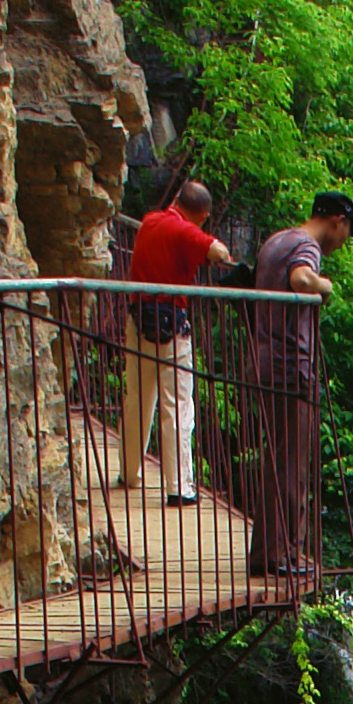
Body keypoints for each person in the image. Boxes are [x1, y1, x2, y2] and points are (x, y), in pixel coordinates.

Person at [247, 192, 353, 578]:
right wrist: (324, 286)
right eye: (347, 231)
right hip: (291, 367)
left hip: (264, 361)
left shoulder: (276, 240)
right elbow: (301, 278)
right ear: (336, 222)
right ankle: (281, 556)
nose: (344, 240)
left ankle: (268, 552)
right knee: (292, 464)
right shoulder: (306, 246)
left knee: (277, 460)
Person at [121, 176, 232, 504]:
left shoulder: (149, 222)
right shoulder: (186, 231)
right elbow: (218, 252)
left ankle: (128, 471)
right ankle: (178, 487)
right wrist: (207, 238)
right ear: (202, 213)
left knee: (139, 397)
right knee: (178, 404)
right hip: (172, 327)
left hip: (138, 319)